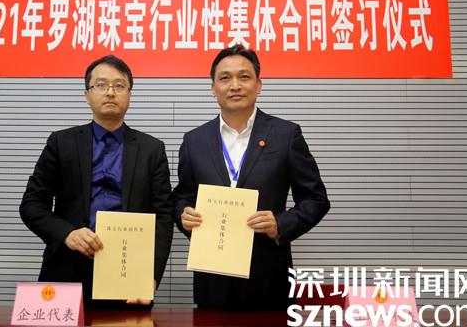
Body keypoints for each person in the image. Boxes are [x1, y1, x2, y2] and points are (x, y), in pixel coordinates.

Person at [174, 44, 330, 310]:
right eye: (225, 78)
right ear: (213, 88)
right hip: (212, 280)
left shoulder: (286, 135)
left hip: (269, 278)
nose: (235, 85)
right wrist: (183, 215)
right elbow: (183, 196)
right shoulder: (194, 140)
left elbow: (316, 199)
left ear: (258, 85)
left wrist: (280, 224)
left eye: (244, 77)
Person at [20, 55, 174, 309]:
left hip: (128, 273)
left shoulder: (151, 149)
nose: (110, 92)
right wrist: (67, 233)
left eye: (119, 85)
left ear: (129, 94)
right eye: (101, 85)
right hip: (66, 267)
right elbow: (32, 205)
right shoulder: (61, 143)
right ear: (87, 94)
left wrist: (151, 276)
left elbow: (164, 216)